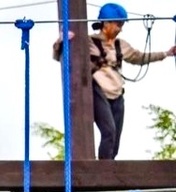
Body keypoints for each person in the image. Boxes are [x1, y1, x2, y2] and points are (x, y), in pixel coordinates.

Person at [52, 3, 176, 160]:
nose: (120, 29)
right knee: (109, 131)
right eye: (118, 24)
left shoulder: (120, 45)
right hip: (97, 91)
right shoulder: (87, 42)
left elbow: (139, 57)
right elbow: (62, 57)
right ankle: (103, 169)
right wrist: (62, 43)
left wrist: (166, 53)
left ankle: (109, 165)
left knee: (115, 138)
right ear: (106, 23)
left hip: (116, 93)